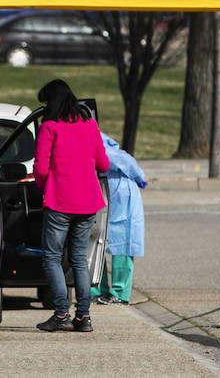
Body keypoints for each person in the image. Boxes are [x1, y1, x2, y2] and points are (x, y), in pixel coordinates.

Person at [33, 79, 110, 333]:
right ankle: (83, 317)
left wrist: (46, 186)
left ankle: (61, 313)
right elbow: (103, 165)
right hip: (89, 202)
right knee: (78, 259)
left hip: (60, 201)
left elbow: (41, 168)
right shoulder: (90, 125)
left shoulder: (49, 127)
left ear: (51, 103)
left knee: (52, 257)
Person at [92, 132, 147, 305]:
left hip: (118, 194)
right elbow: (129, 164)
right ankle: (104, 289)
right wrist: (139, 177)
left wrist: (139, 176)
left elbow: (124, 162)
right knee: (95, 242)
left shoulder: (102, 147)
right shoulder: (102, 145)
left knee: (117, 243)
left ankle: (115, 291)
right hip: (109, 192)